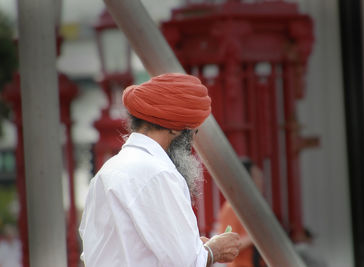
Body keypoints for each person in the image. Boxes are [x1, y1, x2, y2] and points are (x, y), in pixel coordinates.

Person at [79, 73, 240, 267]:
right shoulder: (159, 173)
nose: (191, 139)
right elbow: (184, 262)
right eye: (192, 131)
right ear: (174, 128)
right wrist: (214, 250)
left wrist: (196, 247)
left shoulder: (108, 170)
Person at [216, 159, 266, 267]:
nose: (261, 182)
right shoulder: (232, 208)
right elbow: (225, 244)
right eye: (257, 178)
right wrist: (253, 237)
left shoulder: (254, 207)